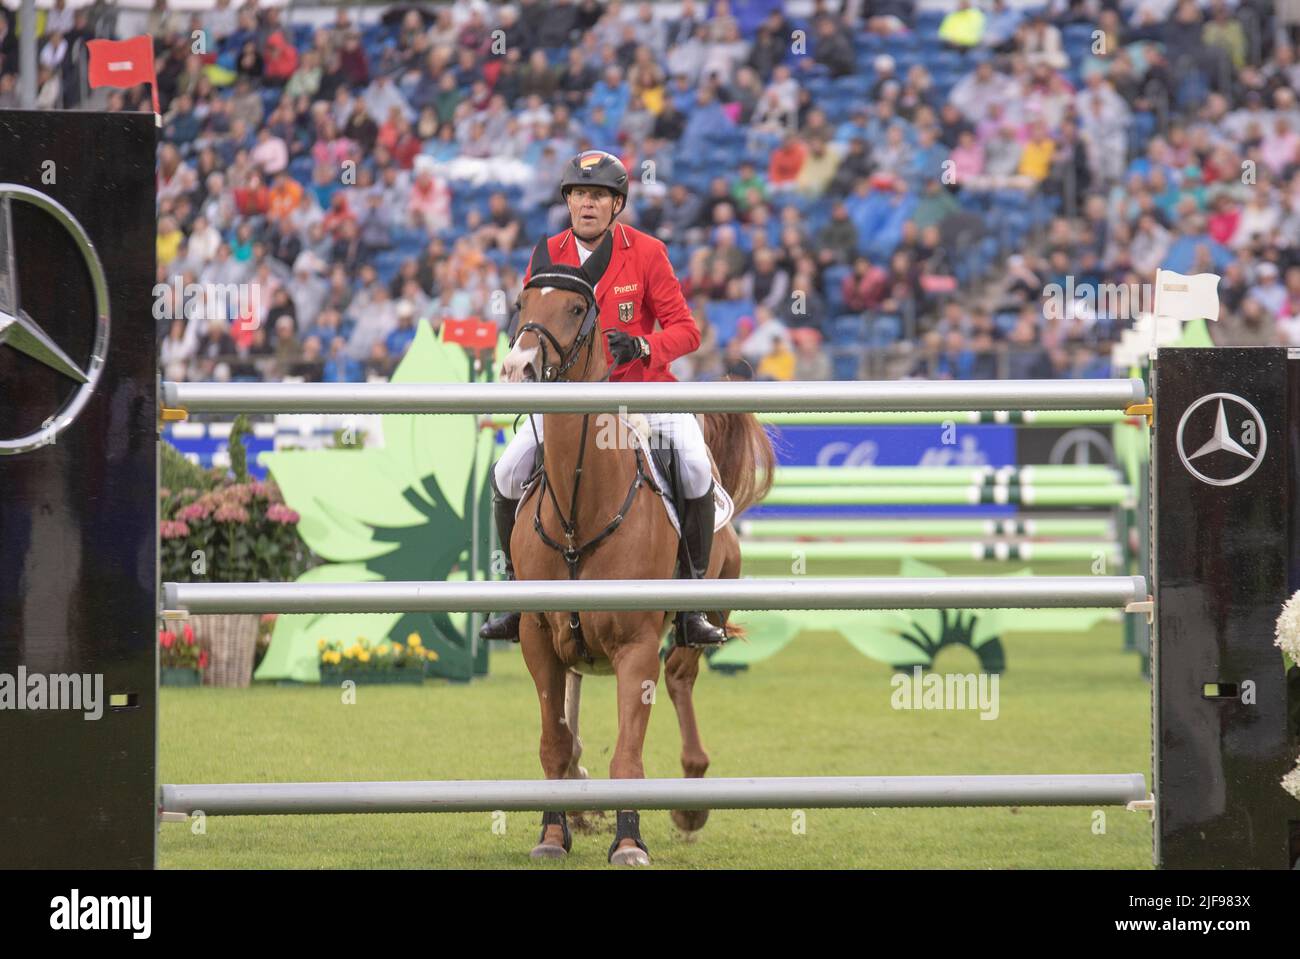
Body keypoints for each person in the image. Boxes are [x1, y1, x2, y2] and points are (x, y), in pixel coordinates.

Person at [481, 150, 727, 647]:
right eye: (578, 195)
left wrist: (643, 345)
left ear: (616, 206)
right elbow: (528, 319)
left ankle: (691, 603)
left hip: (637, 397)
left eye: (598, 196)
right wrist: (518, 352)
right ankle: (516, 595)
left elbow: (687, 331)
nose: (586, 205)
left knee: (696, 466)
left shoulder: (648, 252)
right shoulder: (547, 252)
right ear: (567, 201)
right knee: (507, 471)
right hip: (567, 406)